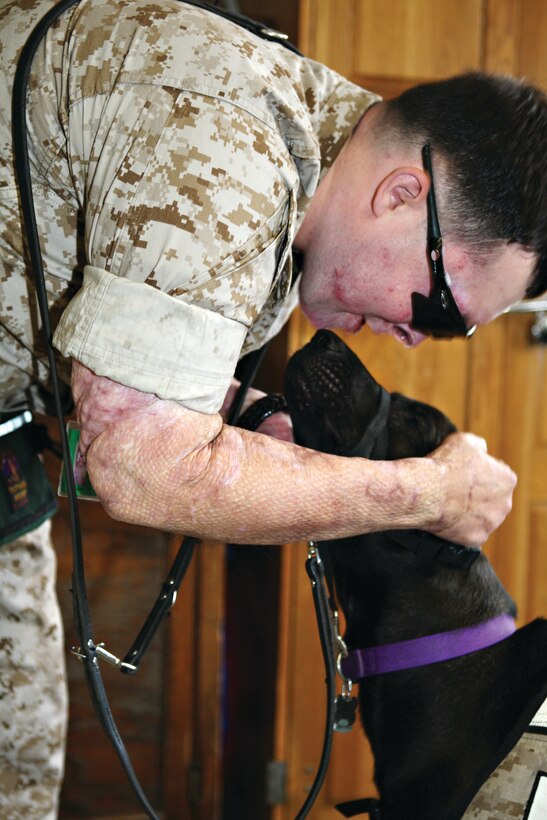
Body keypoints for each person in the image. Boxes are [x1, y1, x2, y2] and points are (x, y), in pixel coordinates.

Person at [0, 0, 545, 816]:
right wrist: (427, 493)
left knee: (19, 765)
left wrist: (252, 420)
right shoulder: (226, 154)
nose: (414, 340)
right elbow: (139, 468)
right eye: (438, 310)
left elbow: (116, 371)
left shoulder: (307, 166)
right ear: (403, 195)